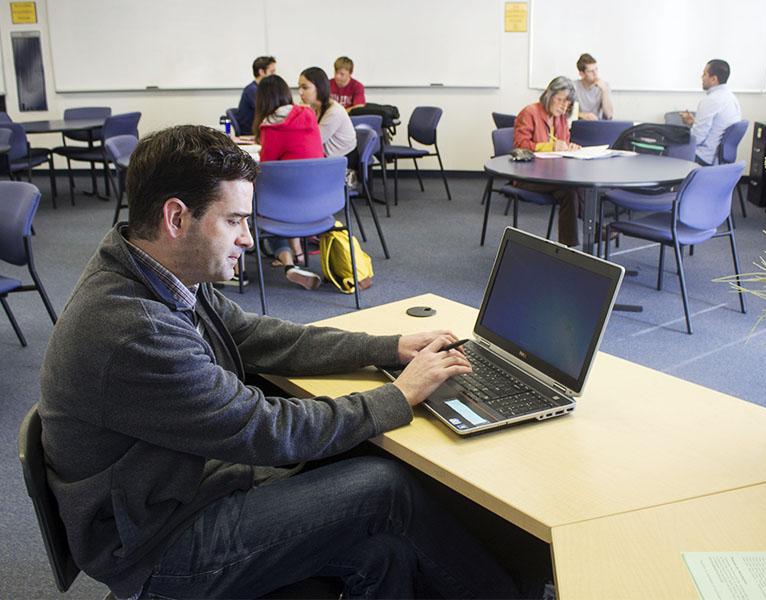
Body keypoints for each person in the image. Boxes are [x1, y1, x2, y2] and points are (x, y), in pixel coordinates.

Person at [38, 125, 525, 599]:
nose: (248, 238)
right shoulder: (132, 329)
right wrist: (400, 394)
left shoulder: (158, 272)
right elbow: (264, 429)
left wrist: (388, 346)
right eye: (234, 221)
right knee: (385, 486)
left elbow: (256, 335)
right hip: (158, 549)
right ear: (176, 218)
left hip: (181, 489)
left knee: (384, 555)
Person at [253, 74, 325, 290]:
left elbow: (265, 169)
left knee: (262, 203)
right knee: (283, 196)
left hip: (288, 207)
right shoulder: (308, 114)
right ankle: (299, 252)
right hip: (320, 201)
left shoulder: (270, 127)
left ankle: (288, 263)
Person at [513, 76, 583, 247]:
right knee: (571, 188)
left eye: (567, 103)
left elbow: (562, 145)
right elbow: (520, 146)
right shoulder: (530, 113)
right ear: (549, 95)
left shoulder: (561, 118)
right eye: (560, 100)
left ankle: (569, 247)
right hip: (529, 177)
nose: (563, 106)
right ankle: (593, 232)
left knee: (575, 189)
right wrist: (550, 146)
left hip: (553, 176)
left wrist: (569, 147)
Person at [680, 59, 741, 165]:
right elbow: (717, 128)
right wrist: (693, 123)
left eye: (704, 74)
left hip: (703, 158)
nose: (701, 77)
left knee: (664, 149)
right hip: (718, 158)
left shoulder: (711, 100)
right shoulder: (732, 98)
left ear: (713, 79)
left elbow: (697, 139)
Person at [300, 66, 359, 168]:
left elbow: (313, 142)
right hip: (326, 156)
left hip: (344, 160)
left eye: (305, 88)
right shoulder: (312, 106)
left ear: (319, 88)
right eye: (299, 87)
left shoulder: (334, 112)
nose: (300, 92)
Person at [235, 55, 276, 136]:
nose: (274, 75)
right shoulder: (252, 90)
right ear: (261, 72)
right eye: (272, 72)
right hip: (251, 133)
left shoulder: (262, 89)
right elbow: (266, 111)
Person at [573, 53, 614, 120]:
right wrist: (582, 115)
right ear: (581, 74)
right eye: (591, 71)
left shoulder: (604, 86)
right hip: (578, 123)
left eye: (596, 69)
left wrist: (604, 91)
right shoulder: (573, 87)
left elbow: (609, 115)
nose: (595, 74)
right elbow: (566, 112)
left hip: (597, 124)